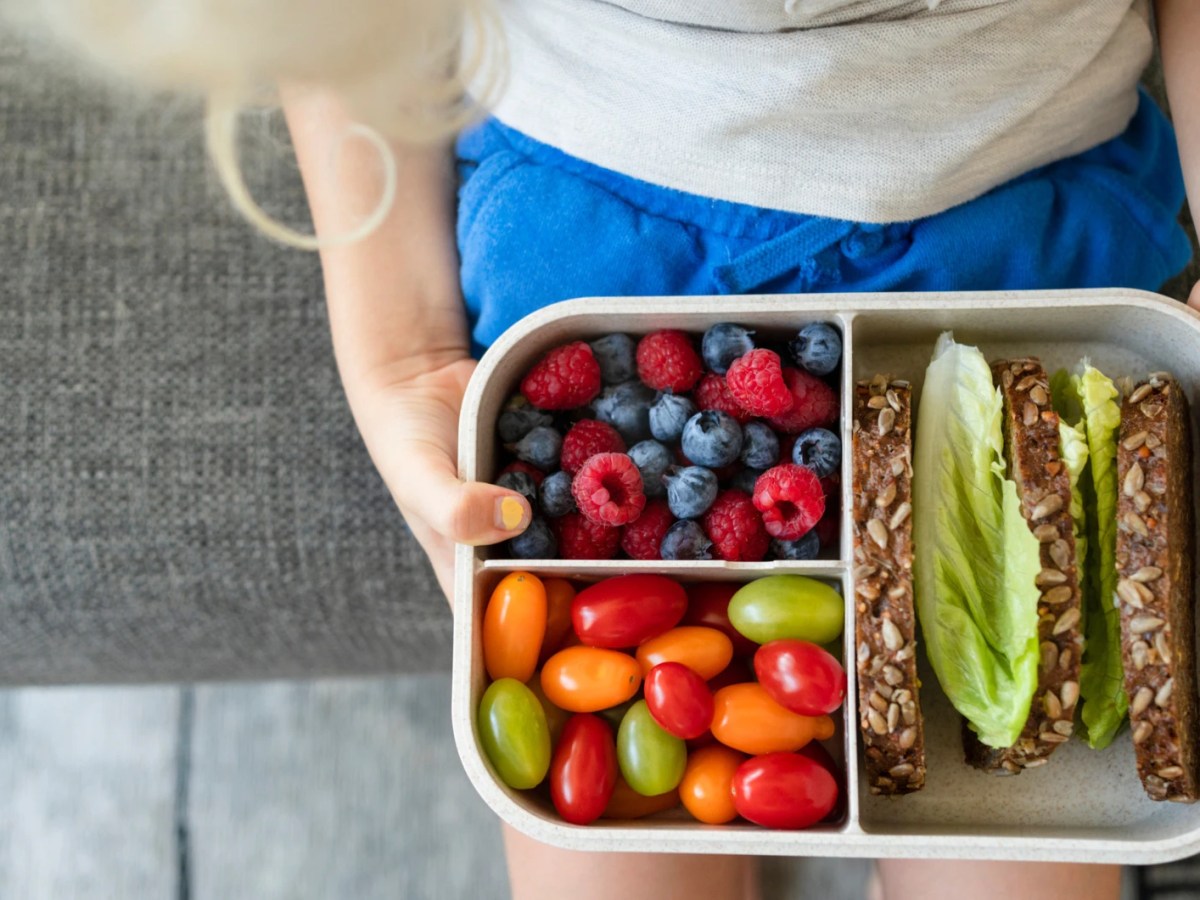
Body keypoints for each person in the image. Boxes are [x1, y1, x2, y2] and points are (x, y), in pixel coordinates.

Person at [22, 1, 1199, 897]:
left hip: (1036, 209)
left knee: (1026, 833)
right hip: (589, 217)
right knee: (603, 832)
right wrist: (399, 350)